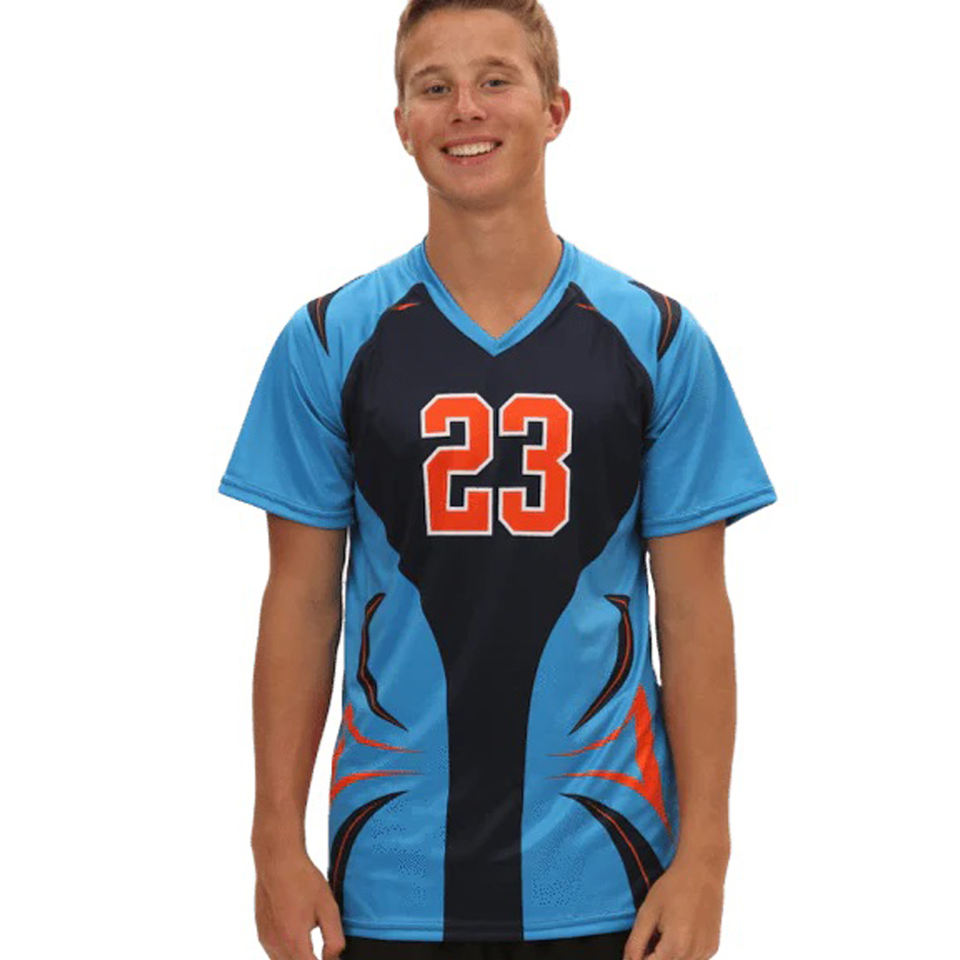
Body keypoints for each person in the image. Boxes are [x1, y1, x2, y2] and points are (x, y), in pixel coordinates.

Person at [217, 1, 777, 958]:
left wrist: (707, 858)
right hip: (387, 874)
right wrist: (274, 842)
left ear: (556, 110)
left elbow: (694, 612)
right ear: (401, 123)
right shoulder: (327, 340)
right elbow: (301, 603)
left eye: (495, 80)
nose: (464, 109)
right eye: (433, 87)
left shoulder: (658, 339)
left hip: (611, 869)